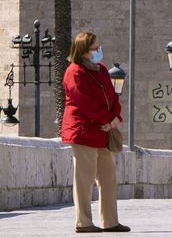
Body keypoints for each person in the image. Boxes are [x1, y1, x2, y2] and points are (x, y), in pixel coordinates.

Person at [60, 31, 128, 234]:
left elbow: (113, 96)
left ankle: (110, 221)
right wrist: (108, 120)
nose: (99, 51)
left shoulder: (102, 70)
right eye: (95, 48)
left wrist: (116, 118)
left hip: (103, 131)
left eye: (99, 47)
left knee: (108, 176)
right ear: (84, 51)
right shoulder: (74, 72)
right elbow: (84, 102)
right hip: (83, 131)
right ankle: (83, 222)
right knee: (84, 179)